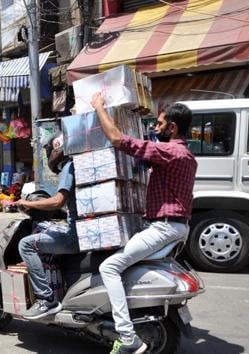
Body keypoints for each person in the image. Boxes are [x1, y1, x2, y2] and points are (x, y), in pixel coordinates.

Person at [91, 94, 197, 354]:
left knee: (110, 267)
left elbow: (118, 140)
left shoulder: (170, 151)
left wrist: (98, 108)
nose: (155, 128)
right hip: (175, 226)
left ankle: (128, 338)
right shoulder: (186, 156)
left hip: (164, 227)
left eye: (160, 124)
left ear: (172, 127)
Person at [13, 132, 79, 319]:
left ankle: (46, 299)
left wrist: (27, 204)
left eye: (50, 150)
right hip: (86, 231)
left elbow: (57, 201)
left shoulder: (69, 166)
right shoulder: (81, 165)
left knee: (26, 244)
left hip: (76, 237)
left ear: (57, 147)